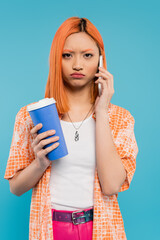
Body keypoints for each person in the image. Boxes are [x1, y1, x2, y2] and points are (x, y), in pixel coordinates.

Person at [4, 17, 139, 240]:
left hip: (101, 229)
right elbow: (15, 188)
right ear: (56, 59)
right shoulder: (30, 116)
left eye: (88, 55)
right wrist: (40, 163)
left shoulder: (120, 119)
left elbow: (112, 185)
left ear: (101, 61)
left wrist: (102, 111)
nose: (78, 64)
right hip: (50, 229)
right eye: (67, 55)